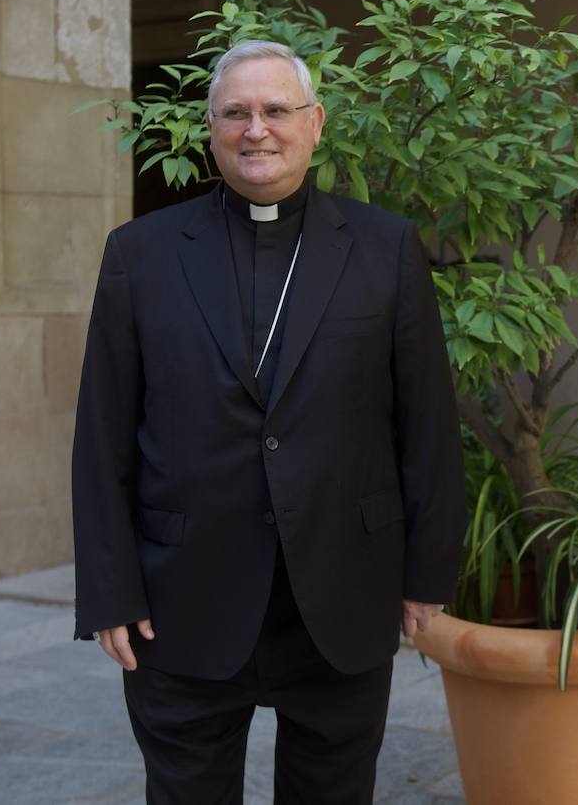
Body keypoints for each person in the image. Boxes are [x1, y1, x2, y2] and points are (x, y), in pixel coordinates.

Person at [71, 40, 466, 803]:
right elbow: (103, 435)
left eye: (277, 110)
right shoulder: (141, 254)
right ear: (210, 128)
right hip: (183, 603)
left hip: (341, 595)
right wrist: (108, 591)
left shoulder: (385, 248)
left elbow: (426, 424)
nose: (257, 129)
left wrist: (428, 571)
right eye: (236, 113)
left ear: (315, 123)